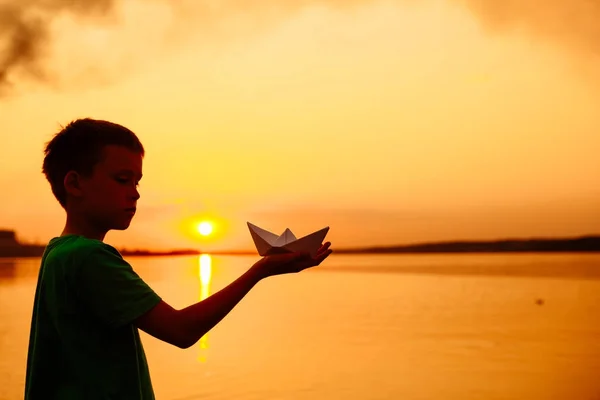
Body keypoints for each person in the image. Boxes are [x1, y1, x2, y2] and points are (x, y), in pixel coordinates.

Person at [24, 118, 333, 399]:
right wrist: (259, 271)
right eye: (122, 179)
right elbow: (180, 330)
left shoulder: (58, 253)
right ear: (74, 183)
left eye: (137, 181)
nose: (135, 193)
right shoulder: (90, 257)